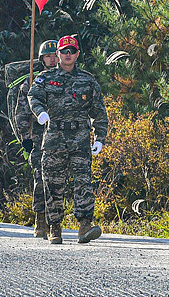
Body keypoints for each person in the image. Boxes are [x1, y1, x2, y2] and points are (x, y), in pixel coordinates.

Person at [27, 35, 109, 244]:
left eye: (71, 51)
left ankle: (84, 225)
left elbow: (99, 111)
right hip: (54, 136)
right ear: (58, 54)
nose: (68, 55)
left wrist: (100, 138)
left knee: (83, 182)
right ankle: (55, 227)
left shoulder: (87, 80)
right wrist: (40, 112)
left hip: (80, 137)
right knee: (53, 184)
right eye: (64, 51)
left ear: (77, 54)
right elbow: (33, 95)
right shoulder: (45, 78)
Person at [14, 40, 59, 237]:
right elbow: (21, 112)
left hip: (62, 137)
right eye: (48, 56)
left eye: (55, 55)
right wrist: (25, 137)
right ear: (42, 59)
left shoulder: (69, 79)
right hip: (39, 138)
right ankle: (40, 219)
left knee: (58, 181)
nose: (52, 59)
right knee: (40, 179)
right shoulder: (32, 82)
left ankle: (55, 221)